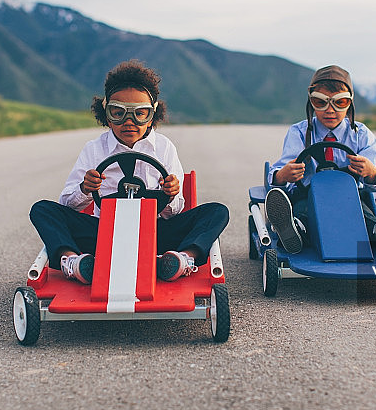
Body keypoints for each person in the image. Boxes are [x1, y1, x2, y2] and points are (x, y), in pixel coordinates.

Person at [29, 59, 229, 284]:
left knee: (217, 212)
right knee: (42, 210)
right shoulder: (94, 149)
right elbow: (66, 206)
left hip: (155, 235)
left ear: (152, 114)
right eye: (118, 112)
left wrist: (171, 194)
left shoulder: (164, 148)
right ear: (106, 113)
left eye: (140, 113)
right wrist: (85, 189)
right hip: (103, 235)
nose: (129, 122)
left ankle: (181, 260)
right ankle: (73, 262)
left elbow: (174, 213)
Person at [265, 64, 376, 255]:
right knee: (303, 214)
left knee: (363, 218)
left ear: (350, 103)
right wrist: (283, 175)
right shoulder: (299, 133)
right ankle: (293, 229)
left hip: (352, 198)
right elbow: (280, 172)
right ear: (311, 102)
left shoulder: (361, 134)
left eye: (339, 103)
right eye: (320, 102)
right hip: (308, 196)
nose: (330, 110)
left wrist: (370, 172)